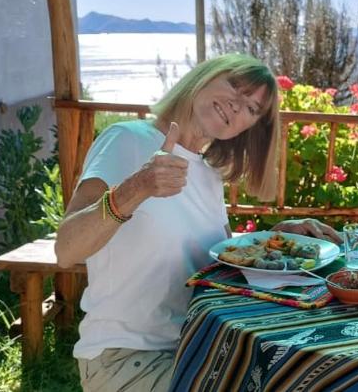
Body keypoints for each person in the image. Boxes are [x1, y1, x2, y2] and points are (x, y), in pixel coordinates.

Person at [54, 54, 341, 392]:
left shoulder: (207, 175)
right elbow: (66, 249)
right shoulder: (127, 139)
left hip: (197, 347)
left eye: (251, 108)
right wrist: (137, 188)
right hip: (126, 358)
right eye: (235, 87)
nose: (237, 106)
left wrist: (278, 239)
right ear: (206, 76)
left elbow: (222, 262)